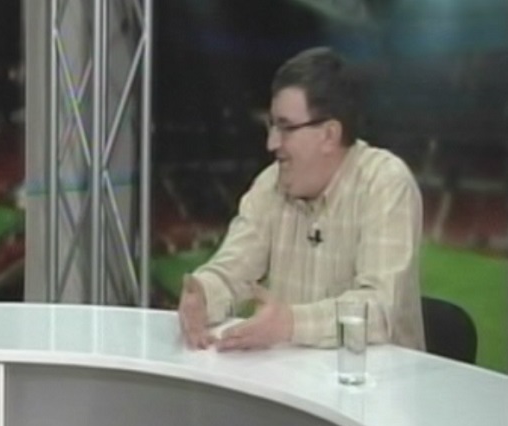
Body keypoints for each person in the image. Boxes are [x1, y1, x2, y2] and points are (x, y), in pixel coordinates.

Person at [178, 47, 424, 351]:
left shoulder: (385, 183)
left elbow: (378, 310)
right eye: (271, 125)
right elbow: (232, 272)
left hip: (376, 378)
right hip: (293, 376)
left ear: (329, 135)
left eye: (286, 128)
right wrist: (203, 295)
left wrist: (290, 324)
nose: (271, 143)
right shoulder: (270, 184)